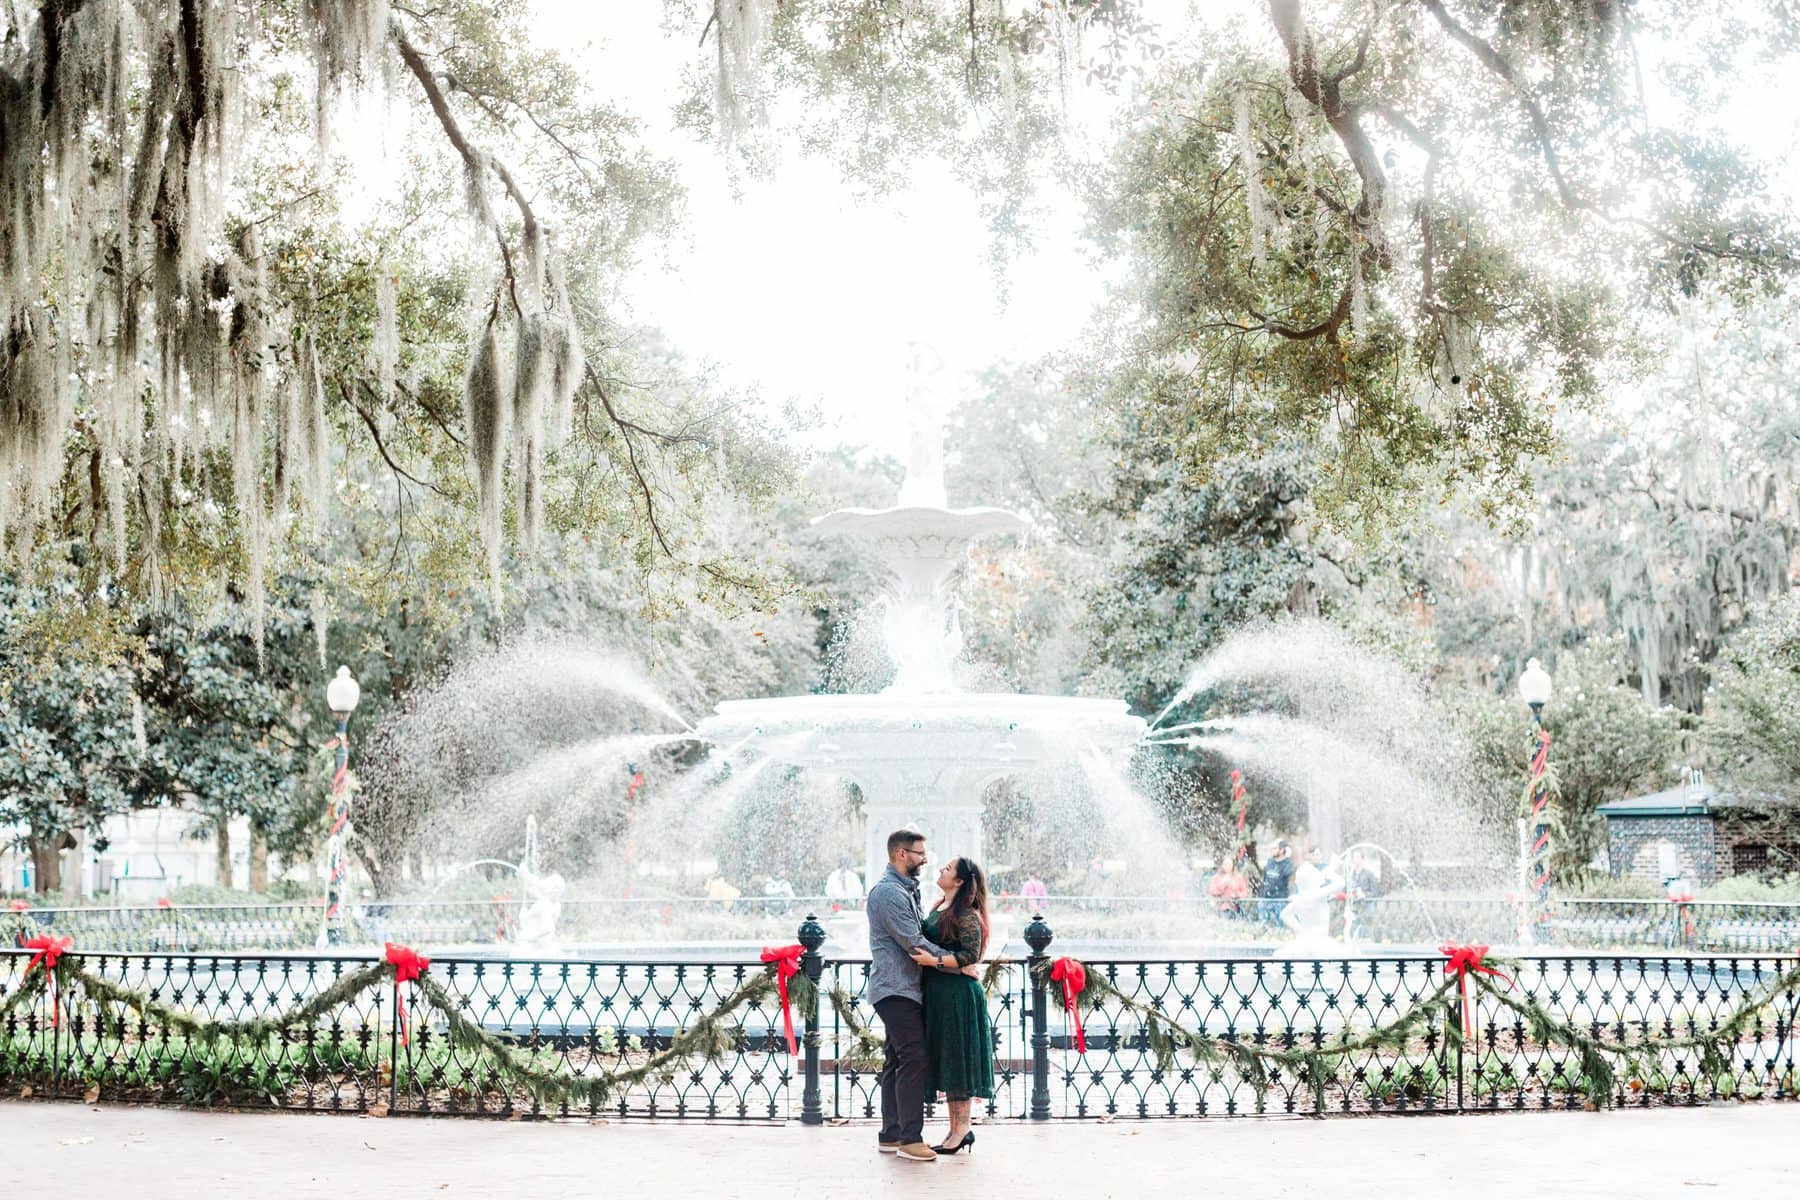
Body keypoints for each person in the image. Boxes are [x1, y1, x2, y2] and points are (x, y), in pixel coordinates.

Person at [866, 829, 954, 1163]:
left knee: (897, 1060)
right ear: (902, 854)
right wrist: (954, 961)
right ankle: (909, 1138)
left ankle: (891, 1134)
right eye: (920, 853)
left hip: (900, 988)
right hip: (895, 989)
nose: (926, 859)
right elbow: (912, 942)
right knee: (914, 1056)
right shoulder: (889, 893)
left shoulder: (904, 890)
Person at [917, 856, 994, 1156]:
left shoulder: (966, 913)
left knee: (957, 1060)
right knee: (948, 1059)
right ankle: (954, 1130)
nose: (941, 870)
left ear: (960, 881)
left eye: (947, 869)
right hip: (941, 994)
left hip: (958, 998)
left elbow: (969, 956)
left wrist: (934, 962)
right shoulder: (940, 907)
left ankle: (962, 1129)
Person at [1259, 840, 1294, 925]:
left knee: (1280, 924)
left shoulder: (1288, 864)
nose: (1272, 851)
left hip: (1280, 899)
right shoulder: (1270, 861)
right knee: (1263, 923)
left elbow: (1290, 882)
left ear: (1282, 850)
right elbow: (1265, 878)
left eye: (1274, 848)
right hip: (1266, 898)